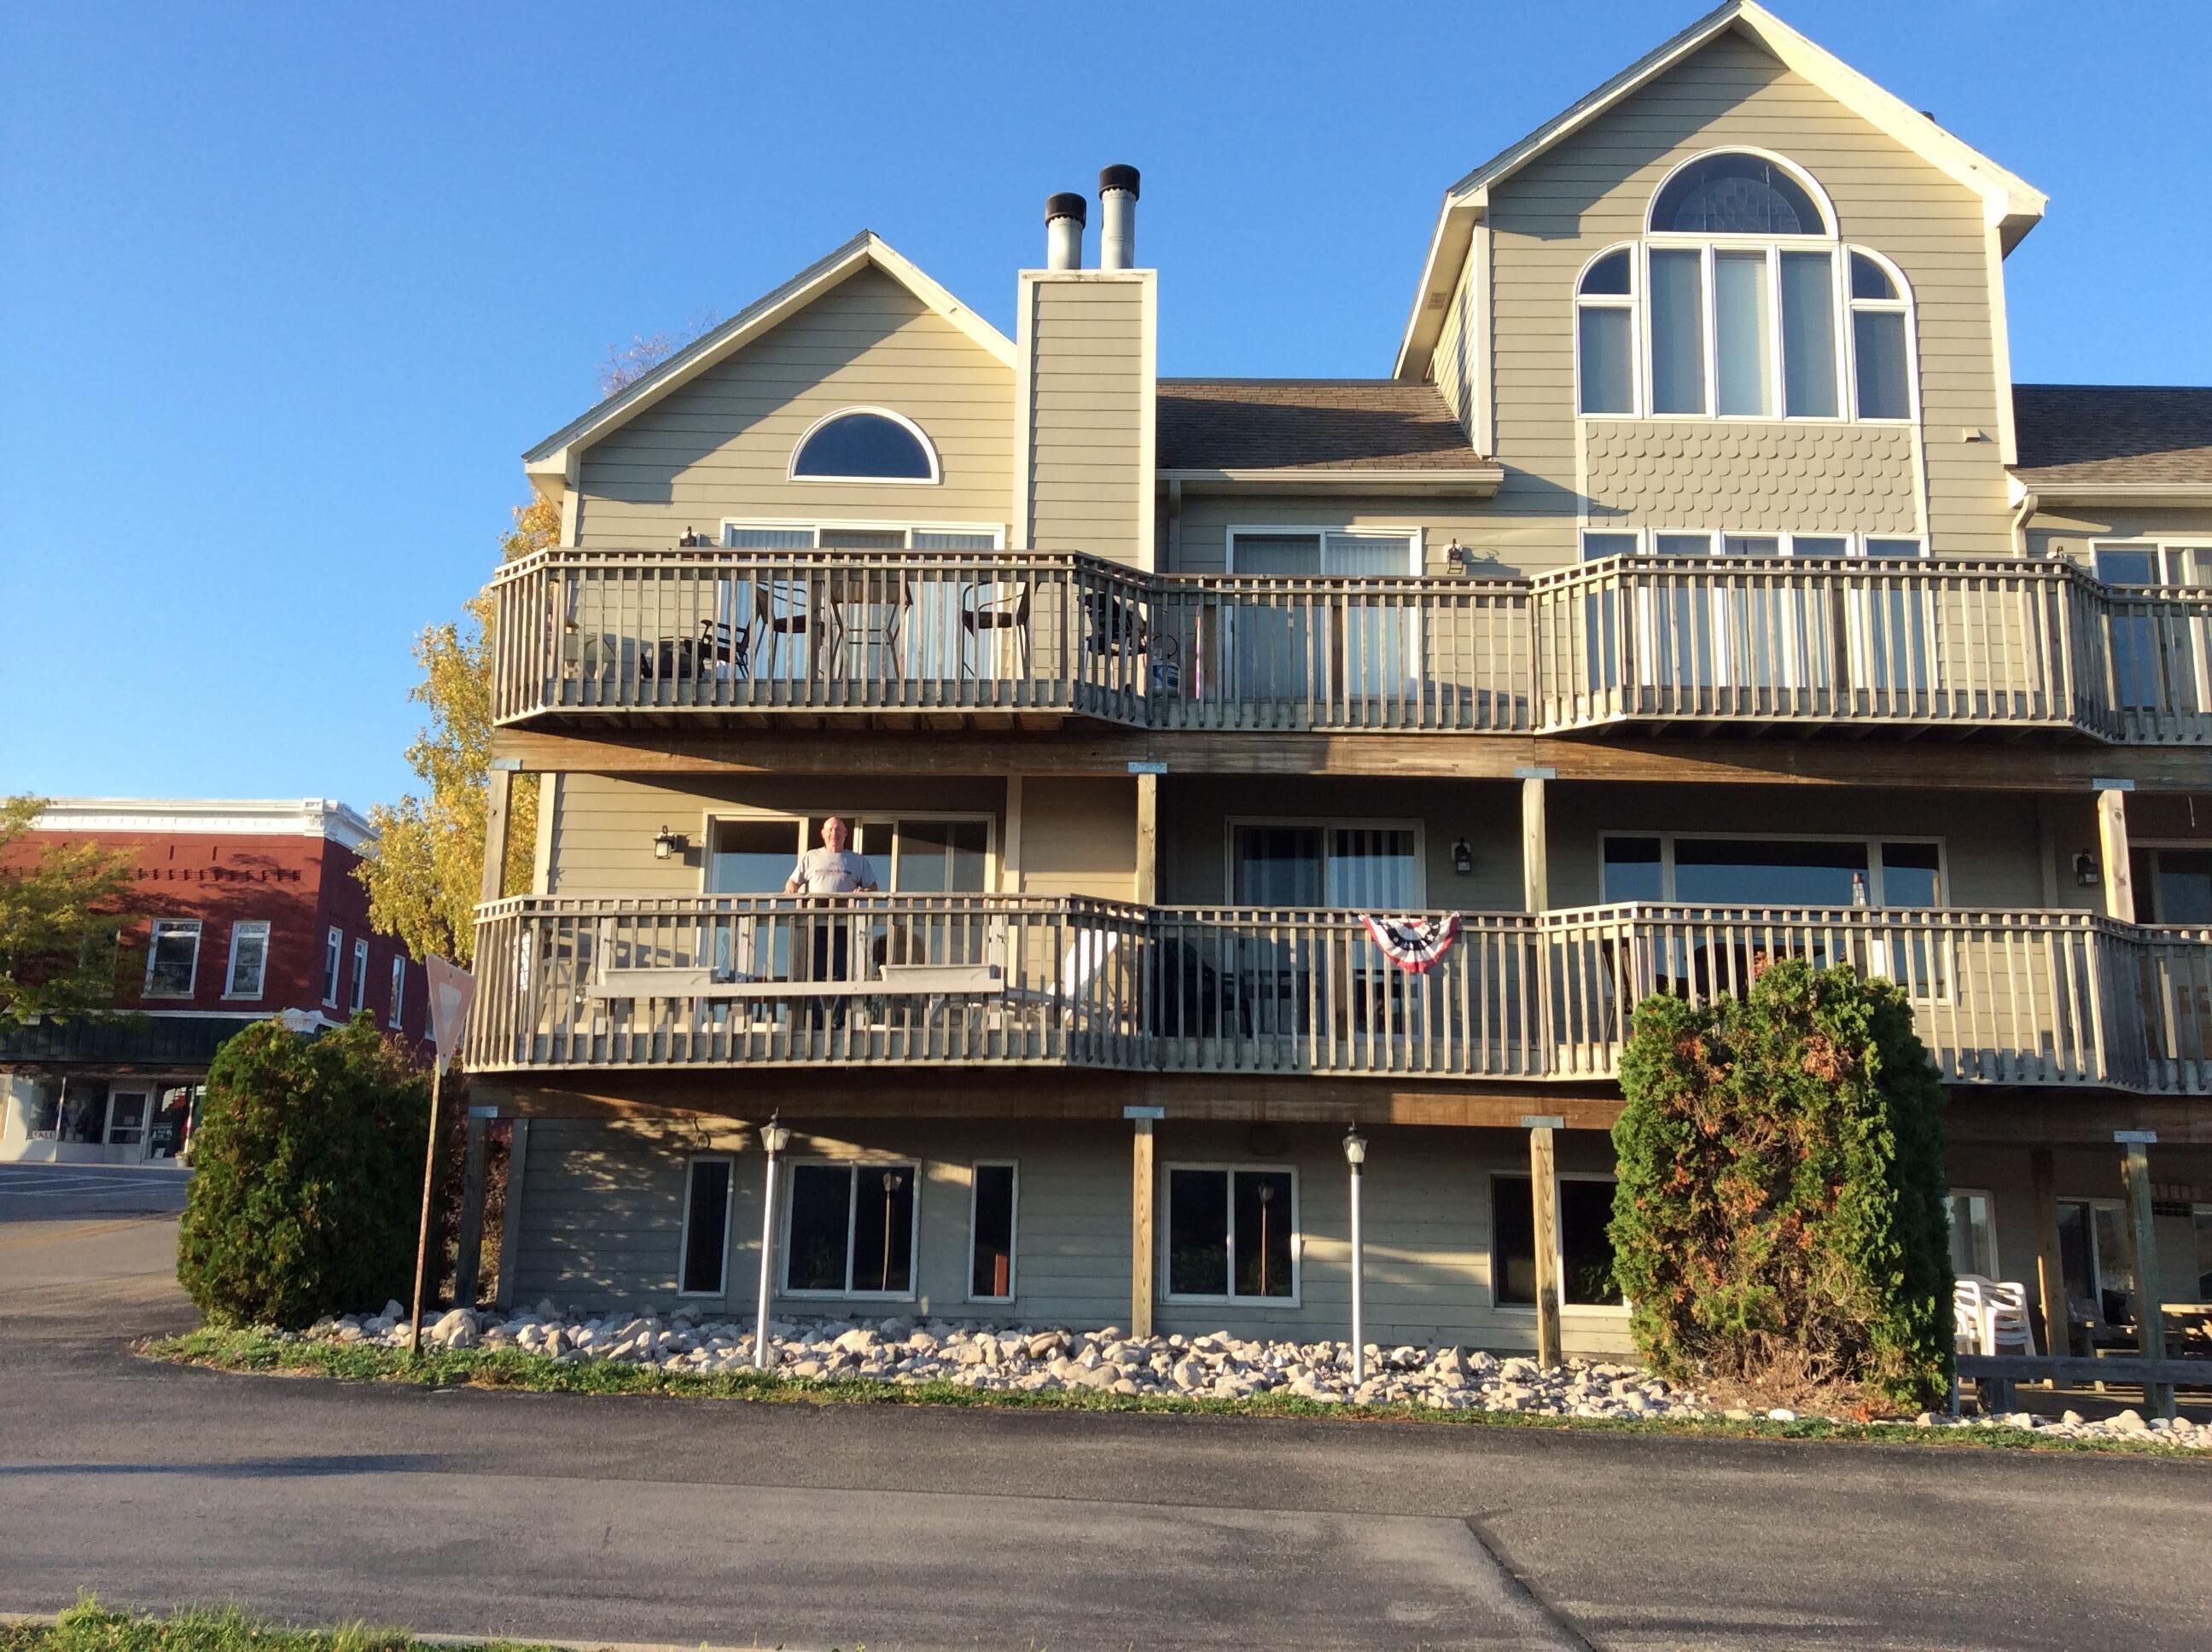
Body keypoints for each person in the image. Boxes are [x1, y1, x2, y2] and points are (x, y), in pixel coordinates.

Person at [786, 817, 878, 1029]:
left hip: (845, 925)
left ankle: (841, 1019)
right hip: (815, 923)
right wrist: (792, 891)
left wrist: (863, 892)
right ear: (823, 833)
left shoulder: (856, 861)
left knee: (844, 970)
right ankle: (815, 1020)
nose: (834, 833)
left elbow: (873, 887)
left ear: (846, 834)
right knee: (815, 970)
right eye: (830, 829)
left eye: (838, 830)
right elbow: (792, 882)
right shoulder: (811, 857)